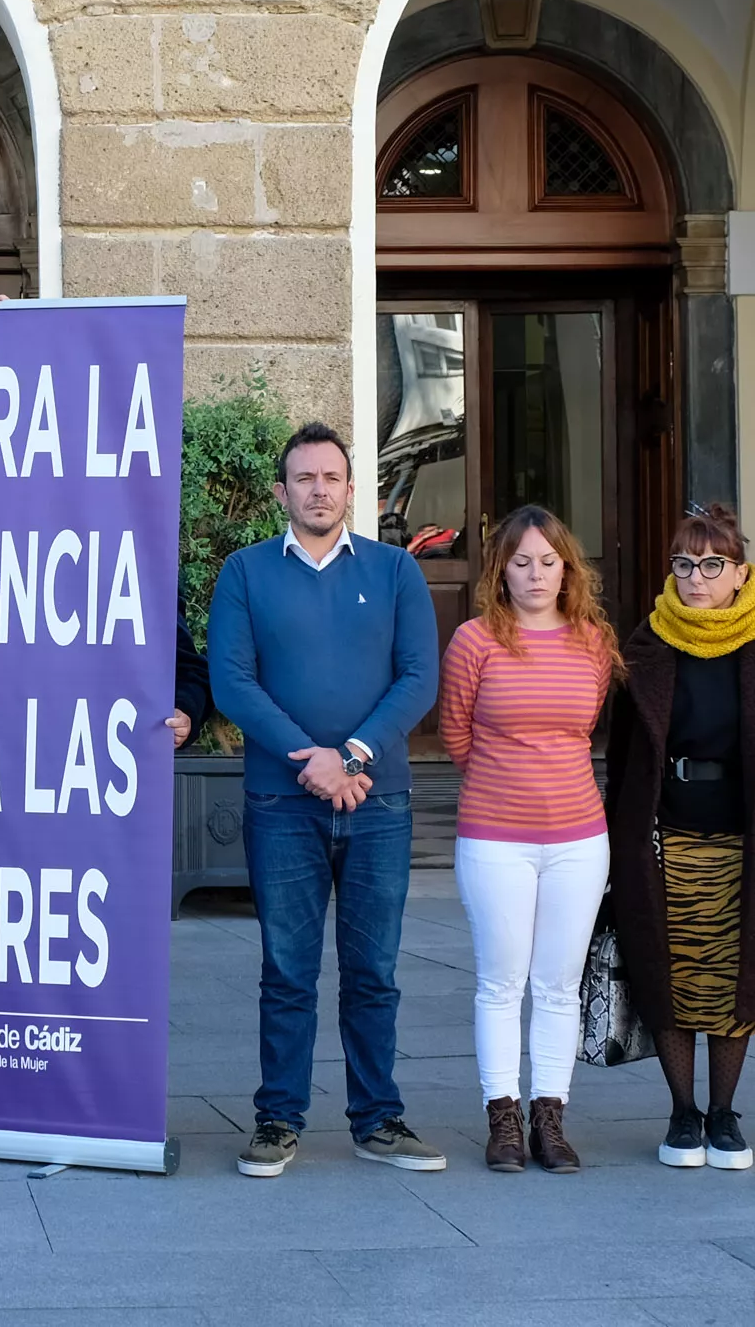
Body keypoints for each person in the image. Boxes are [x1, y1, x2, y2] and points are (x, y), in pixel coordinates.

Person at [208, 422, 445, 1179]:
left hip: (379, 802)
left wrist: (349, 756)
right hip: (282, 805)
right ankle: (278, 1119)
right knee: (287, 971)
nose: (318, 490)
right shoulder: (245, 572)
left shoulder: (395, 570)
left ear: (351, 488)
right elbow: (232, 682)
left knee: (373, 972)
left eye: (331, 477)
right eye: (304, 478)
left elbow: (418, 677)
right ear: (282, 491)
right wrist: (309, 759)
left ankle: (378, 1121)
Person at [609, 504, 755, 1174]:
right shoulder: (646, 644)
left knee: (736, 980)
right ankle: (682, 1112)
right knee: (671, 979)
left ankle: (724, 1111)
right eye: (684, 564)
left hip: (749, 844)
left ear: (739, 572)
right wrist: (625, 834)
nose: (695, 578)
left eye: (711, 566)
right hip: (666, 839)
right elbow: (623, 756)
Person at [438, 506, 621, 1172]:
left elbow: (584, 728)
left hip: (578, 837)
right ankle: (503, 1118)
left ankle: (550, 1117)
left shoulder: (592, 642)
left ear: (568, 569)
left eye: (548, 562)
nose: (536, 574)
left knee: (558, 985)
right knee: (500, 982)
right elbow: (455, 733)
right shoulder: (474, 641)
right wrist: (506, 781)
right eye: (521, 562)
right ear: (501, 571)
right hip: (495, 839)